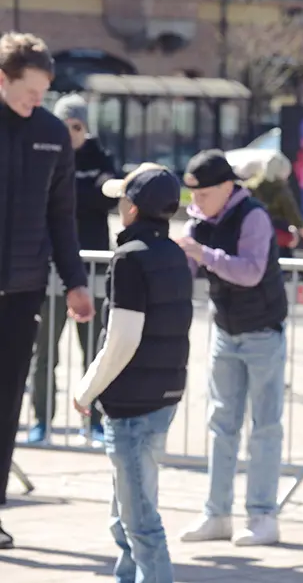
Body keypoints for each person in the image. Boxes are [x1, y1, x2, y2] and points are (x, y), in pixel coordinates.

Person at [73, 163, 193, 583]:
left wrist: (86, 390)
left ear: (133, 208)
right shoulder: (175, 254)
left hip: (130, 402)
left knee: (139, 518)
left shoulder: (129, 259)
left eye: (122, 199)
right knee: (128, 508)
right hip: (164, 393)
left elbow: (122, 338)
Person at [0, 32, 95, 550]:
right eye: (28, 93)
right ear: (2, 79)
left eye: (42, 94)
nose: (36, 102)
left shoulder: (53, 135)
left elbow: (62, 217)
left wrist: (76, 283)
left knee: (6, 406)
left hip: (22, 292)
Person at [176, 150, 289, 547]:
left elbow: (251, 270)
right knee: (221, 425)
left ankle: (262, 515)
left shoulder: (253, 215)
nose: (195, 204)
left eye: (202, 195)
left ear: (226, 187)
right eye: (191, 196)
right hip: (225, 330)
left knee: (265, 428)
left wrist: (201, 254)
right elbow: (189, 268)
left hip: (262, 332)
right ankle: (217, 514)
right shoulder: (200, 220)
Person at [28, 93, 119, 444]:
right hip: (50, 270)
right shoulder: (45, 152)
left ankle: (94, 422)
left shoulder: (99, 158)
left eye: (77, 127)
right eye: (65, 126)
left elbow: (107, 193)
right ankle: (41, 421)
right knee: (44, 352)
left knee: (95, 354)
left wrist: (71, 190)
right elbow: (41, 197)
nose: (71, 134)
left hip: (92, 271)